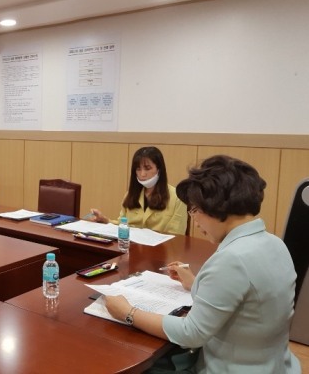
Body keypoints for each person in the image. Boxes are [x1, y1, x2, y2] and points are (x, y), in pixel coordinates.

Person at [103, 155, 300, 373]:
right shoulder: (274, 244)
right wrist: (195, 283)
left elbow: (191, 333)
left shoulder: (231, 259)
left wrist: (128, 312)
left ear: (217, 207)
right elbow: (245, 300)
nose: (194, 219)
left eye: (195, 209)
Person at [87, 146, 187, 235]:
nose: (142, 174)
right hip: (131, 248)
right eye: (138, 169)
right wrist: (105, 221)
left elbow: (177, 237)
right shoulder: (130, 195)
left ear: (159, 169)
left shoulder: (177, 197)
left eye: (147, 168)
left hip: (161, 252)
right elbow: (123, 224)